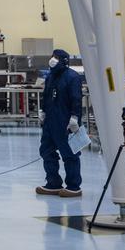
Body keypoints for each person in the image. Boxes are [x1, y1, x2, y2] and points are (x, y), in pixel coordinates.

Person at [35, 47, 83, 198]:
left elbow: (76, 98)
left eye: (56, 57)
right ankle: (53, 183)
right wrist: (43, 111)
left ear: (64, 61)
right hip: (50, 120)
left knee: (70, 154)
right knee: (46, 151)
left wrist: (75, 117)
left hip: (66, 121)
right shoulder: (51, 76)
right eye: (52, 56)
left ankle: (74, 186)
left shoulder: (73, 77)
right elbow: (47, 95)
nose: (52, 59)